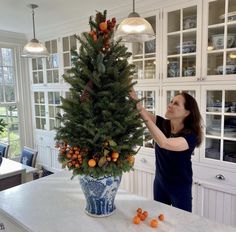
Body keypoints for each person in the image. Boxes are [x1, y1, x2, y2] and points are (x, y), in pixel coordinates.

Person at [130, 89, 203, 212]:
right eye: (171, 101)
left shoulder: (191, 136)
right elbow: (140, 111)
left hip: (180, 188)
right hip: (160, 183)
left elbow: (164, 143)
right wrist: (131, 95)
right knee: (159, 218)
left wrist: (141, 110)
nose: (170, 105)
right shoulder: (163, 123)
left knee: (182, 222)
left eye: (176, 104)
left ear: (187, 112)